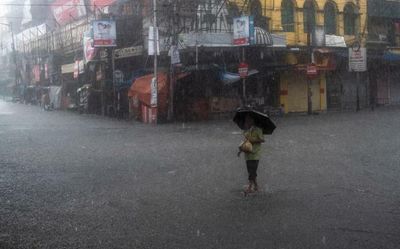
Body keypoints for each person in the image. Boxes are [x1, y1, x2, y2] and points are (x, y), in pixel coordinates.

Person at [239, 114, 265, 194]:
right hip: (247, 154)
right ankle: (256, 186)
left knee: (252, 171)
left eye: (249, 120)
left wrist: (253, 140)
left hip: (255, 154)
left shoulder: (258, 130)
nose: (247, 122)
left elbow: (262, 140)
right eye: (246, 120)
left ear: (253, 120)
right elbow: (245, 142)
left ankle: (250, 187)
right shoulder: (246, 131)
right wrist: (240, 149)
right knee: (250, 171)